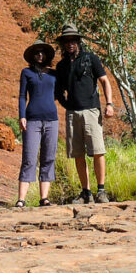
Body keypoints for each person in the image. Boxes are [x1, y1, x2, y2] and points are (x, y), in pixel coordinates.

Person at [53, 24, 115, 204]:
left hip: (91, 110)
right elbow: (59, 90)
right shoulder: (62, 65)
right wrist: (67, 105)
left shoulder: (91, 58)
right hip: (73, 114)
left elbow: (104, 80)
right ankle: (86, 192)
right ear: (63, 44)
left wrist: (109, 104)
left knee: (98, 151)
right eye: (66, 40)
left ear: (78, 41)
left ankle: (101, 191)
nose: (70, 43)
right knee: (78, 153)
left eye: (73, 40)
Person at [15, 39, 59, 208]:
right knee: (29, 158)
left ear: (46, 55)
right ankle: (21, 199)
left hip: (52, 120)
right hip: (32, 119)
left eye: (42, 52)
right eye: (37, 52)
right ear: (32, 55)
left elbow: (58, 93)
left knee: (48, 157)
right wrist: (22, 116)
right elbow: (21, 96)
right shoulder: (26, 72)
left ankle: (44, 198)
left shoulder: (53, 74)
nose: (40, 55)